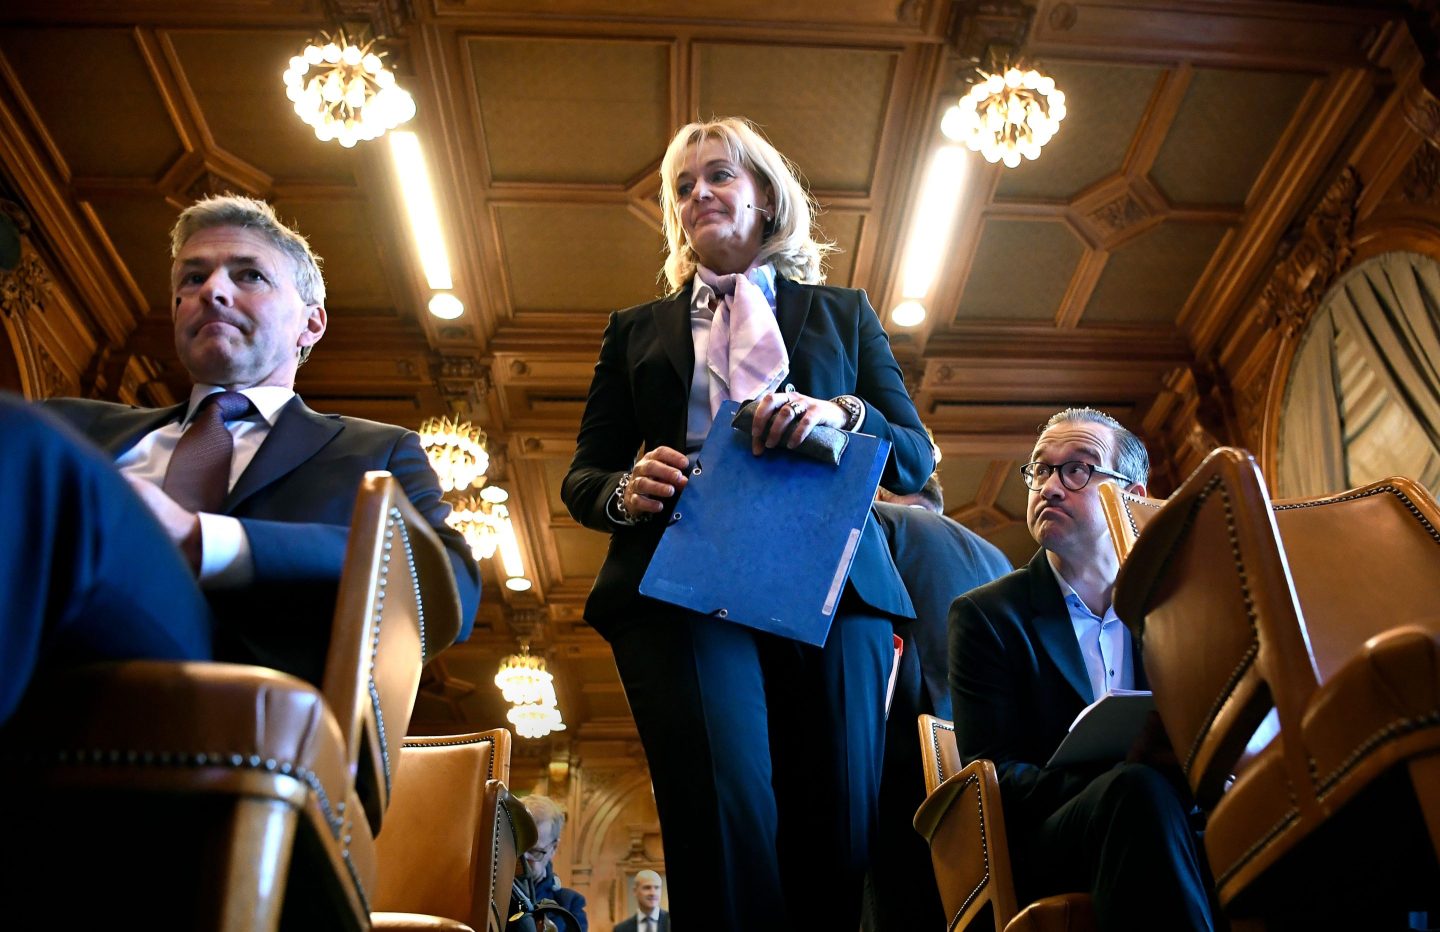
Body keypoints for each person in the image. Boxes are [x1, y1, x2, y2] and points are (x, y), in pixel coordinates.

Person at [561, 117, 933, 931]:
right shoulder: (636, 332)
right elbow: (583, 477)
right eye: (683, 187)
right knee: (724, 814)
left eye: (719, 176)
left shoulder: (841, 314)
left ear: (765, 195)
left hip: (834, 586)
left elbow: (914, 456)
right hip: (684, 577)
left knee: (837, 824)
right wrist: (628, 487)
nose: (699, 195)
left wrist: (839, 410)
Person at [0, 194, 479, 724]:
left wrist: (205, 540)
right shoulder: (68, 426)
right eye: (192, 278)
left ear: (311, 324)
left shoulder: (375, 450)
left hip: (227, 675)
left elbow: (450, 584)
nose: (213, 291)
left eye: (249, 276)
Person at [948, 407, 1214, 931]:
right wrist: (1116, 774)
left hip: (1182, 811)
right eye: (1040, 470)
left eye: (1077, 470)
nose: (1049, 486)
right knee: (1136, 793)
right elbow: (995, 774)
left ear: (1132, 495)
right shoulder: (987, 616)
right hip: (1057, 834)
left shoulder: (1177, 600)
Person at [865, 472, 1011, 931]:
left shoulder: (879, 523)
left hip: (907, 750)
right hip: (992, 762)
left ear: (883, 491)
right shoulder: (999, 557)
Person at [518, 794, 588, 932]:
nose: (522, 857)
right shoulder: (489, 893)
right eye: (518, 847)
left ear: (553, 848)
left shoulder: (570, 906)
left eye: (534, 851)